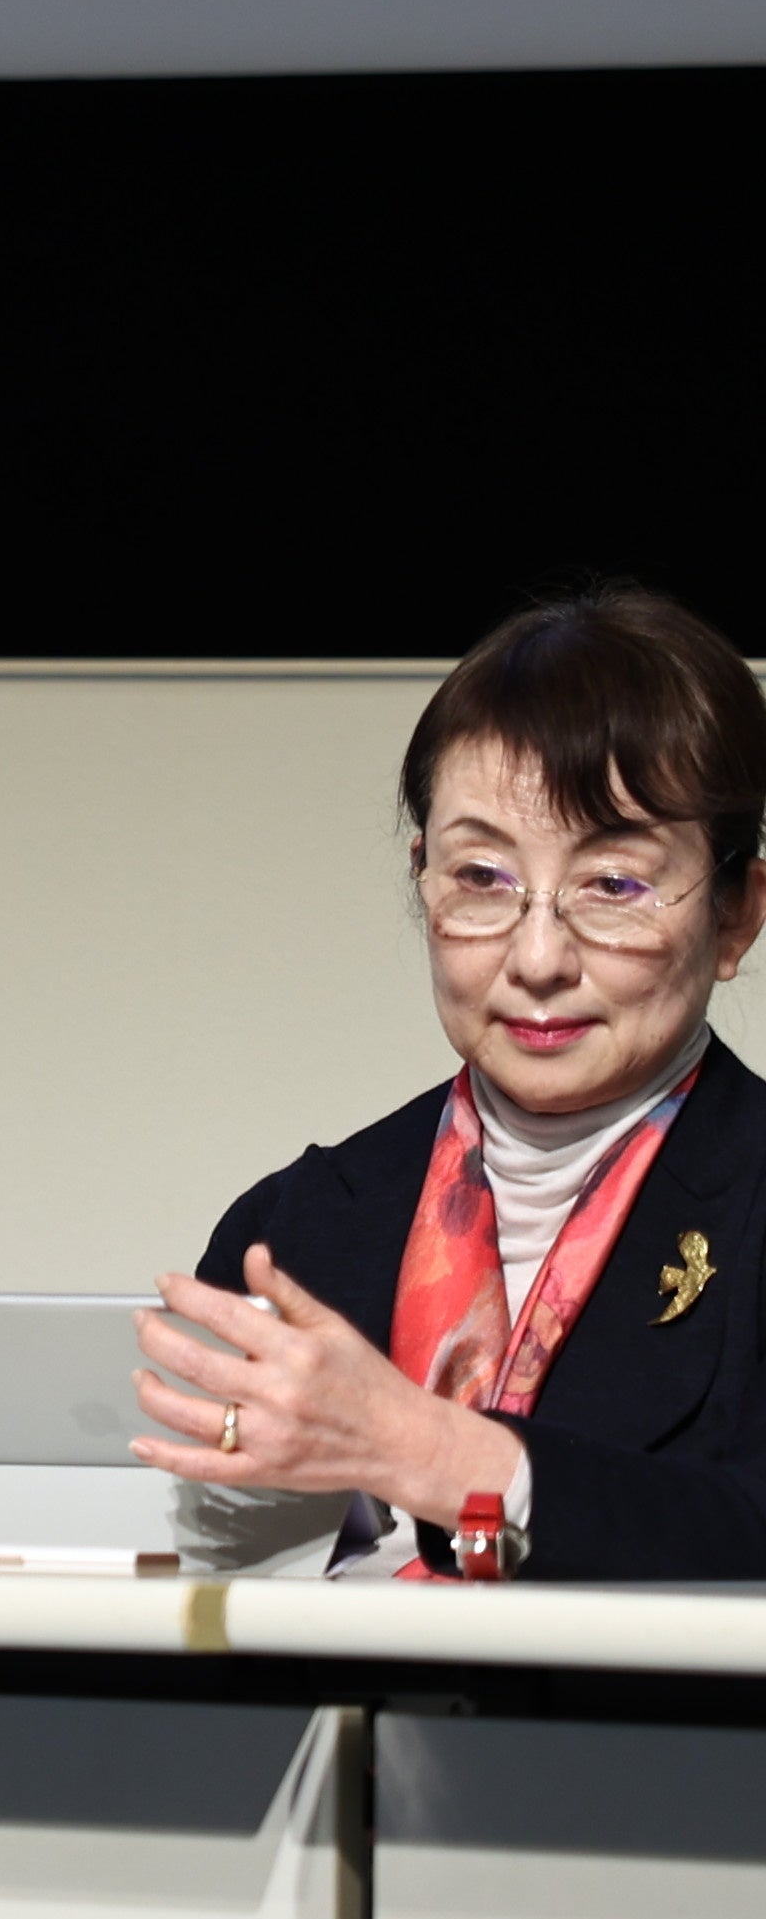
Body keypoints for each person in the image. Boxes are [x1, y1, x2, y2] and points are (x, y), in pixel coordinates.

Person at [139, 584, 766, 1579]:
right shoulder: (298, 1227)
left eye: (614, 885)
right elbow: (206, 1584)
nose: (539, 959)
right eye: (482, 878)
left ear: (735, 916)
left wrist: (438, 1455)